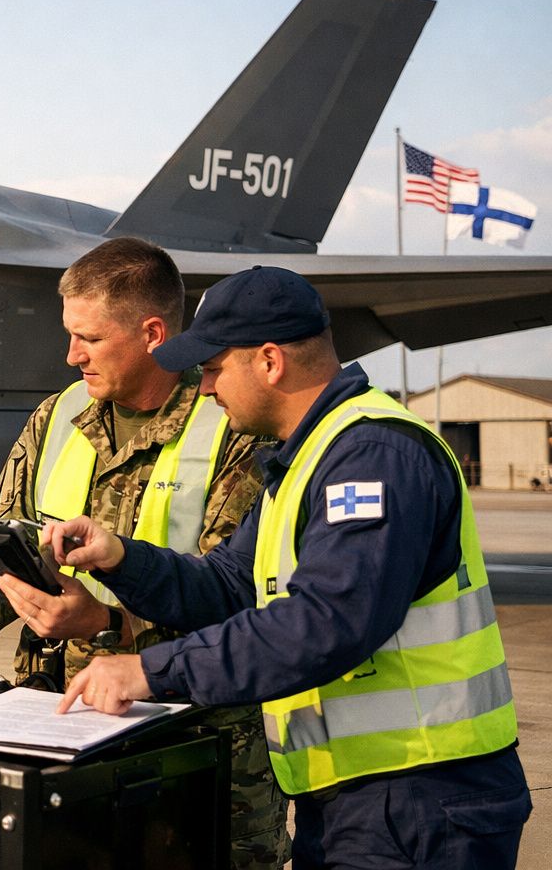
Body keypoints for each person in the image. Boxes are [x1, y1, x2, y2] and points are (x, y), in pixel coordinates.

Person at [55, 265, 532, 868]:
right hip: (354, 797)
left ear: (270, 361)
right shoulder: (307, 457)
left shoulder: (372, 454)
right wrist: (122, 558)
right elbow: (230, 584)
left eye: (212, 368)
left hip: (420, 796)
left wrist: (151, 671)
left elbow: (330, 621)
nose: (203, 389)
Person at [0, 237, 289, 869]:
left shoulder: (231, 426)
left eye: (91, 339)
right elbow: (5, 550)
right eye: (69, 335)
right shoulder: (58, 415)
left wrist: (108, 625)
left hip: (191, 755)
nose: (71, 355)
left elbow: (243, 603)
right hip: (55, 741)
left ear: (153, 333)